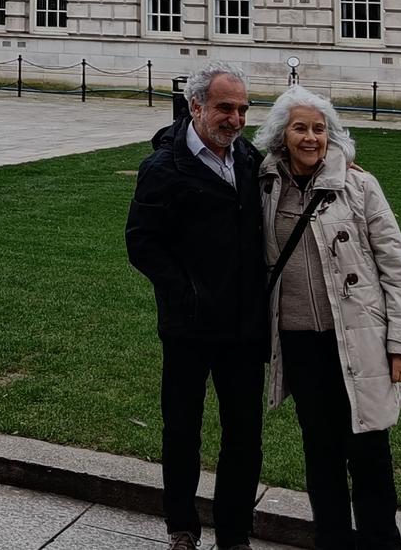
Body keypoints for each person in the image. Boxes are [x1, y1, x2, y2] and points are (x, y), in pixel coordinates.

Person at [255, 88, 401, 550]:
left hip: (358, 338)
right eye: (300, 128)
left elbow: (397, 267)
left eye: (319, 129)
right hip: (301, 342)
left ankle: (380, 541)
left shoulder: (359, 185)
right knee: (320, 454)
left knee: (368, 452)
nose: (311, 138)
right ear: (281, 136)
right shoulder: (263, 184)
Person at [126, 65, 267, 550]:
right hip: (189, 326)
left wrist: (342, 159)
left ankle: (234, 535)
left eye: (243, 109)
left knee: (244, 437)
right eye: (226, 108)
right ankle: (181, 527)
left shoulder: (248, 159)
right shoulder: (163, 169)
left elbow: (302, 165)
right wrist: (187, 298)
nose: (236, 119)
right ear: (196, 107)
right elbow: (143, 244)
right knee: (182, 430)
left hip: (244, 327)